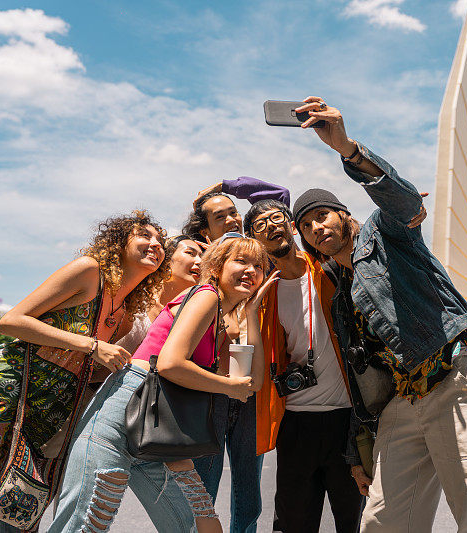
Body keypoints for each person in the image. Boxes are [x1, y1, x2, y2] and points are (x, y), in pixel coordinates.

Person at [293, 96, 467, 533]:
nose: (317, 228)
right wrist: (358, 450)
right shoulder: (341, 296)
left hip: (454, 381)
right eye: (307, 226)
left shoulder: (384, 233)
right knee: (382, 522)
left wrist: (348, 150)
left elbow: (406, 203)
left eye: (322, 216)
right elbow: (361, 379)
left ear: (344, 215)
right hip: (401, 401)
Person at [0, 211, 170, 533]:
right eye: (145, 235)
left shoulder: (125, 312)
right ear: (119, 241)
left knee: (16, 524)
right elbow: (12, 321)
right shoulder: (90, 272)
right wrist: (91, 345)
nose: (155, 244)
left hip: (30, 423)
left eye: (161, 240)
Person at [49, 236, 279, 533]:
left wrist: (251, 312)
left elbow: (251, 383)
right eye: (241, 261)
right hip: (127, 407)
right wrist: (226, 387)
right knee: (85, 523)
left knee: (195, 523)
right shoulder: (206, 295)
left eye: (258, 265)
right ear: (218, 267)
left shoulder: (225, 318)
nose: (251, 270)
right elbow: (170, 364)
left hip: (165, 422)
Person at [242, 199, 362, 533]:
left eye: (276, 217)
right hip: (295, 423)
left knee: (355, 521)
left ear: (292, 226)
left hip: (346, 420)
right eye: (259, 225)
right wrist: (252, 314)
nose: (270, 226)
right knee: (294, 524)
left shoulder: (329, 270)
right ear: (255, 240)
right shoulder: (262, 292)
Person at [184, 177, 289, 533]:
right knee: (203, 490)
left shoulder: (257, 260)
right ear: (204, 231)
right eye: (220, 217)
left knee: (249, 492)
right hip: (209, 391)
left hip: (250, 389)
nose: (232, 220)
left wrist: (228, 184)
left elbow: (279, 198)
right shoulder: (196, 264)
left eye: (234, 213)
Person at [116, 235, 205, 354]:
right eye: (190, 253)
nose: (200, 262)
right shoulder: (133, 297)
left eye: (203, 257)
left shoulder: (191, 314)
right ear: (166, 260)